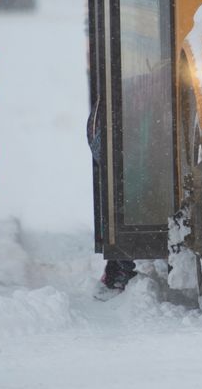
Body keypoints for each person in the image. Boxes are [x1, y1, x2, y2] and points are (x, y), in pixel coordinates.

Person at [86, 96, 137, 296]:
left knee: (118, 204)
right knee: (119, 205)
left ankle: (118, 267)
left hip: (122, 154)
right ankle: (120, 268)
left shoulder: (116, 98)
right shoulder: (115, 101)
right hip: (121, 156)